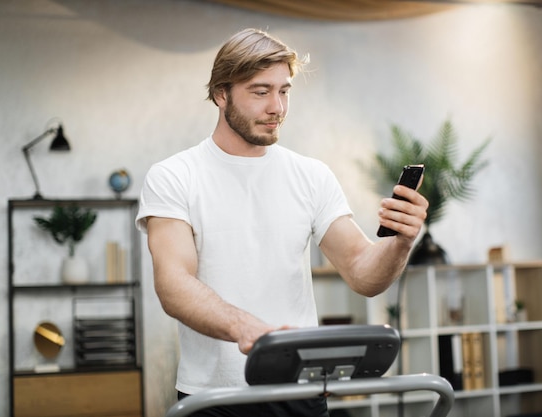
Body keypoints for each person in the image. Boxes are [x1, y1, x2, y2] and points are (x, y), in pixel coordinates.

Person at [135, 28, 428, 417]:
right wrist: (252, 332)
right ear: (221, 94)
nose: (277, 107)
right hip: (215, 398)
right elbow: (173, 284)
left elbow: (363, 274)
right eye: (260, 92)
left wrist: (401, 243)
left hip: (301, 391)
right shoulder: (174, 176)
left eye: (284, 91)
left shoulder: (312, 175)